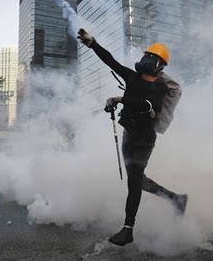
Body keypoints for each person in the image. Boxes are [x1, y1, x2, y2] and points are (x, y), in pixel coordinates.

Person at [78, 28, 187, 246]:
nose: (148, 59)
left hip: (144, 140)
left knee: (134, 180)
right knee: (137, 180)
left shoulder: (159, 87)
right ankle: (176, 199)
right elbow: (111, 61)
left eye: (154, 58)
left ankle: (128, 229)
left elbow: (147, 106)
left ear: (160, 65)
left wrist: (120, 99)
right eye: (148, 55)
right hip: (129, 134)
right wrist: (93, 43)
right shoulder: (132, 77)